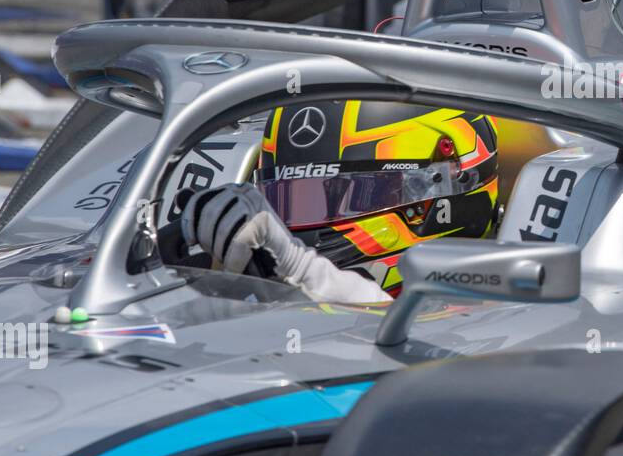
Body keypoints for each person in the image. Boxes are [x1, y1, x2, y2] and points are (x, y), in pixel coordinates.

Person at [180, 100, 501, 304]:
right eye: (287, 200)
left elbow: (379, 317)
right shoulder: (272, 290)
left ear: (442, 186)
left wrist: (295, 264)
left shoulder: (502, 307)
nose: (302, 225)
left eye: (352, 195)